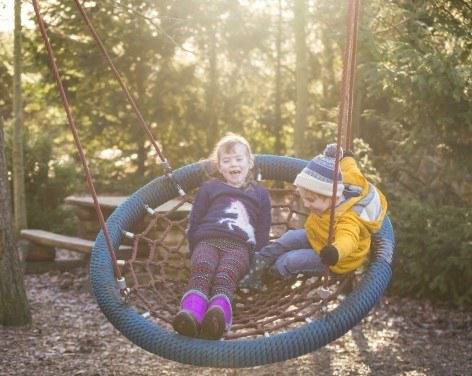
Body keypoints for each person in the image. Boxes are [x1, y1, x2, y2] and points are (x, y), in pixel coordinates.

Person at [240, 143, 387, 288]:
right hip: (318, 236)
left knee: (290, 261)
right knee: (290, 237)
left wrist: (336, 251)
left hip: (335, 258)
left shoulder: (347, 218)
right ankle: (257, 263)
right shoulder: (345, 180)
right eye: (304, 198)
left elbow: (348, 239)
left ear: (332, 198)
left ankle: (270, 277)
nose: (306, 204)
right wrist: (345, 158)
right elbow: (351, 168)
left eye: (310, 200)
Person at [172, 133, 271, 339]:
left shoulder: (260, 194)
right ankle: (190, 314)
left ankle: (217, 318)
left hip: (240, 247)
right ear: (219, 166)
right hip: (207, 240)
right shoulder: (210, 188)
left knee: (226, 274)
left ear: (250, 162)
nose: (233, 164)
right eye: (227, 160)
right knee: (202, 269)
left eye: (238, 159)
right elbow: (196, 218)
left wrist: (258, 258)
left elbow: (263, 228)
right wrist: (193, 247)